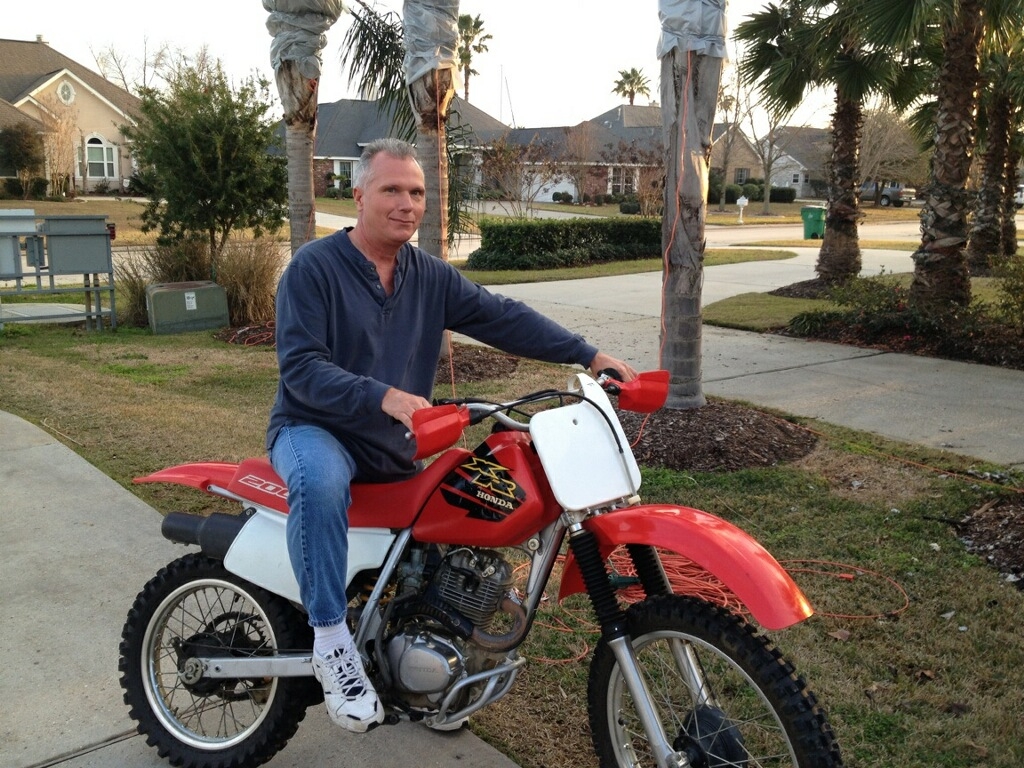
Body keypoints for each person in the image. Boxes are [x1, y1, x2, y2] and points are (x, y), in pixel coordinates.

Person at [267, 137, 637, 733]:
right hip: (315, 428)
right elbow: (302, 369)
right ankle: (331, 643)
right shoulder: (314, 269)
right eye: (391, 189)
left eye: (416, 192)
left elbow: (502, 316)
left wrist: (588, 354)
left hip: (395, 443)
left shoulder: (429, 276)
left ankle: (429, 681)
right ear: (358, 195)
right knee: (321, 483)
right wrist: (384, 396)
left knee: (456, 513)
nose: (407, 203)